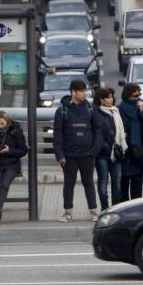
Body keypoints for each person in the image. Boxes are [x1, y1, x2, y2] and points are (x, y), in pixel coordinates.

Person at [53, 79, 101, 222]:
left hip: (87, 154)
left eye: (84, 90)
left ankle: (93, 211)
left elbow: (98, 131)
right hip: (69, 155)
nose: (84, 93)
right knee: (69, 183)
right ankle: (68, 212)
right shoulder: (62, 110)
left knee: (89, 182)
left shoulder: (91, 109)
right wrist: (60, 155)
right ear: (73, 92)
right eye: (81, 91)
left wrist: (94, 151)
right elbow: (57, 134)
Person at [118, 83, 143, 200]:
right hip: (125, 150)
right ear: (127, 96)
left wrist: (142, 111)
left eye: (140, 94)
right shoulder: (120, 109)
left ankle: (135, 210)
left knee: (137, 185)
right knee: (123, 184)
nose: (138, 98)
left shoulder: (142, 108)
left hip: (138, 151)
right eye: (135, 95)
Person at [92, 87, 126, 210]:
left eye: (111, 97)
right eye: (108, 97)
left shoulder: (115, 112)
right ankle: (105, 208)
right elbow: (97, 133)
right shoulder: (95, 113)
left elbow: (120, 132)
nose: (110, 100)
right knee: (103, 182)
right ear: (101, 99)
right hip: (102, 154)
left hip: (116, 153)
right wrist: (105, 146)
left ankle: (115, 209)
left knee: (117, 182)